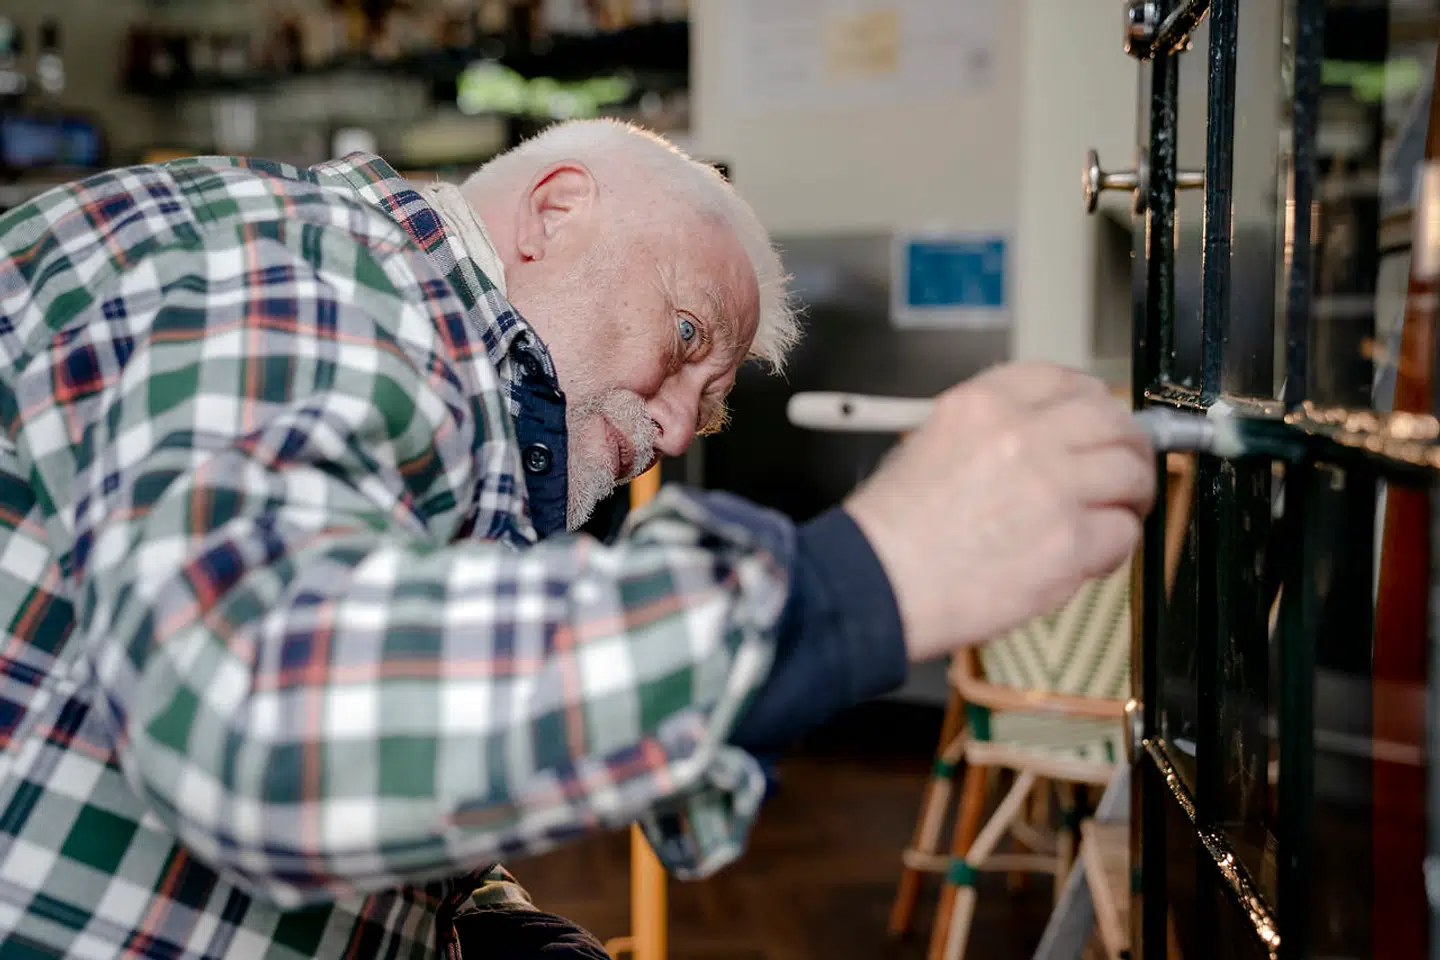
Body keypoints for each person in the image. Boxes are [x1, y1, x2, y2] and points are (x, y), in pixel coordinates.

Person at [0, 118, 1155, 958]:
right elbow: (252, 703)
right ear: (554, 211)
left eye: (707, 405)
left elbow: (393, 726)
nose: (667, 425)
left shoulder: (447, 396)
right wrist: (856, 585)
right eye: (684, 332)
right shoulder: (311, 264)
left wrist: (483, 919)